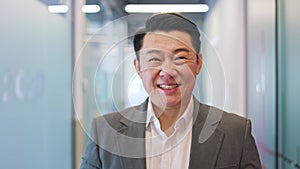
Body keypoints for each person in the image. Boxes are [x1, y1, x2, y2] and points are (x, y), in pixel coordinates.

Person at [80, 13, 261, 169]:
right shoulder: (104, 132)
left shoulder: (236, 133)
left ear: (198, 63)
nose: (167, 72)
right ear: (138, 67)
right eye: (155, 59)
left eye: (180, 58)